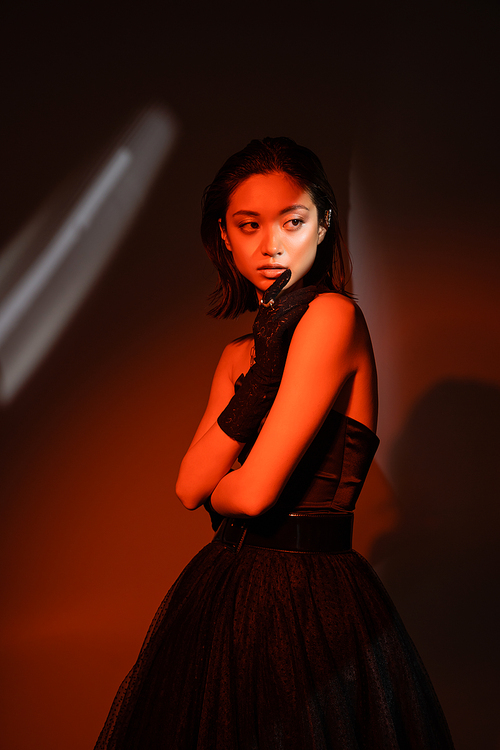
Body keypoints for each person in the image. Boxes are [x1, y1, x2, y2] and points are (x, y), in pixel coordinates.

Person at [94, 137, 454, 749]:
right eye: (248, 224)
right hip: (223, 593)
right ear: (225, 237)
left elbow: (253, 493)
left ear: (322, 226)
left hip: (308, 596)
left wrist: (224, 489)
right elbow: (188, 487)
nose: (270, 244)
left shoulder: (333, 316)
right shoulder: (237, 353)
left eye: (293, 221)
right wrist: (260, 374)